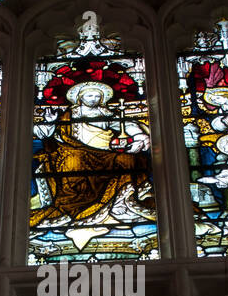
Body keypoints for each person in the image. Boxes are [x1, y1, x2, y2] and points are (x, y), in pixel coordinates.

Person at [31, 82, 152, 229]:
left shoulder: (105, 113)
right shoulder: (70, 115)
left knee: (127, 160)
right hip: (76, 151)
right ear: (80, 98)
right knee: (73, 163)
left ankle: (120, 204)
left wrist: (139, 136)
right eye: (90, 95)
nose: (94, 99)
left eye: (97, 96)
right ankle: (73, 206)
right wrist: (50, 122)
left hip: (105, 153)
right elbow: (46, 134)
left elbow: (126, 125)